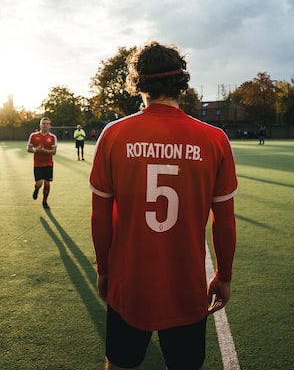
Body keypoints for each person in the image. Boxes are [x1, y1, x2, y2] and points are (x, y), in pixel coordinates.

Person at [89, 41, 238, 370]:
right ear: (182, 82)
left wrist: (104, 269)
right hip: (187, 288)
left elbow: (100, 218)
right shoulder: (215, 140)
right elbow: (224, 222)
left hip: (129, 285)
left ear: (138, 83)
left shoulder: (113, 135)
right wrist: (223, 275)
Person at [27, 118, 57, 209]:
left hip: (48, 164)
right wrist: (36, 150)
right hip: (38, 164)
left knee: (47, 184)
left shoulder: (52, 137)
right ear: (40, 125)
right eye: (43, 123)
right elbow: (28, 149)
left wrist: (43, 150)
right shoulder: (33, 135)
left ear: (50, 126)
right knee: (39, 183)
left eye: (47, 124)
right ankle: (36, 189)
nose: (45, 125)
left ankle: (44, 201)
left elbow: (53, 152)